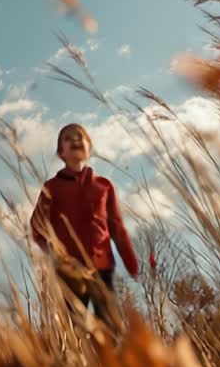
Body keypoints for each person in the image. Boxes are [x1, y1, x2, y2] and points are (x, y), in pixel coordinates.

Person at [29, 123, 139, 327]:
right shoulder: (51, 187)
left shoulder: (104, 186)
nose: (76, 140)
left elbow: (117, 228)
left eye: (80, 136)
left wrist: (131, 263)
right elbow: (37, 227)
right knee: (74, 327)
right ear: (61, 152)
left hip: (102, 266)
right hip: (69, 270)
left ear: (89, 146)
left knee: (111, 327)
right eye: (68, 138)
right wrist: (55, 256)